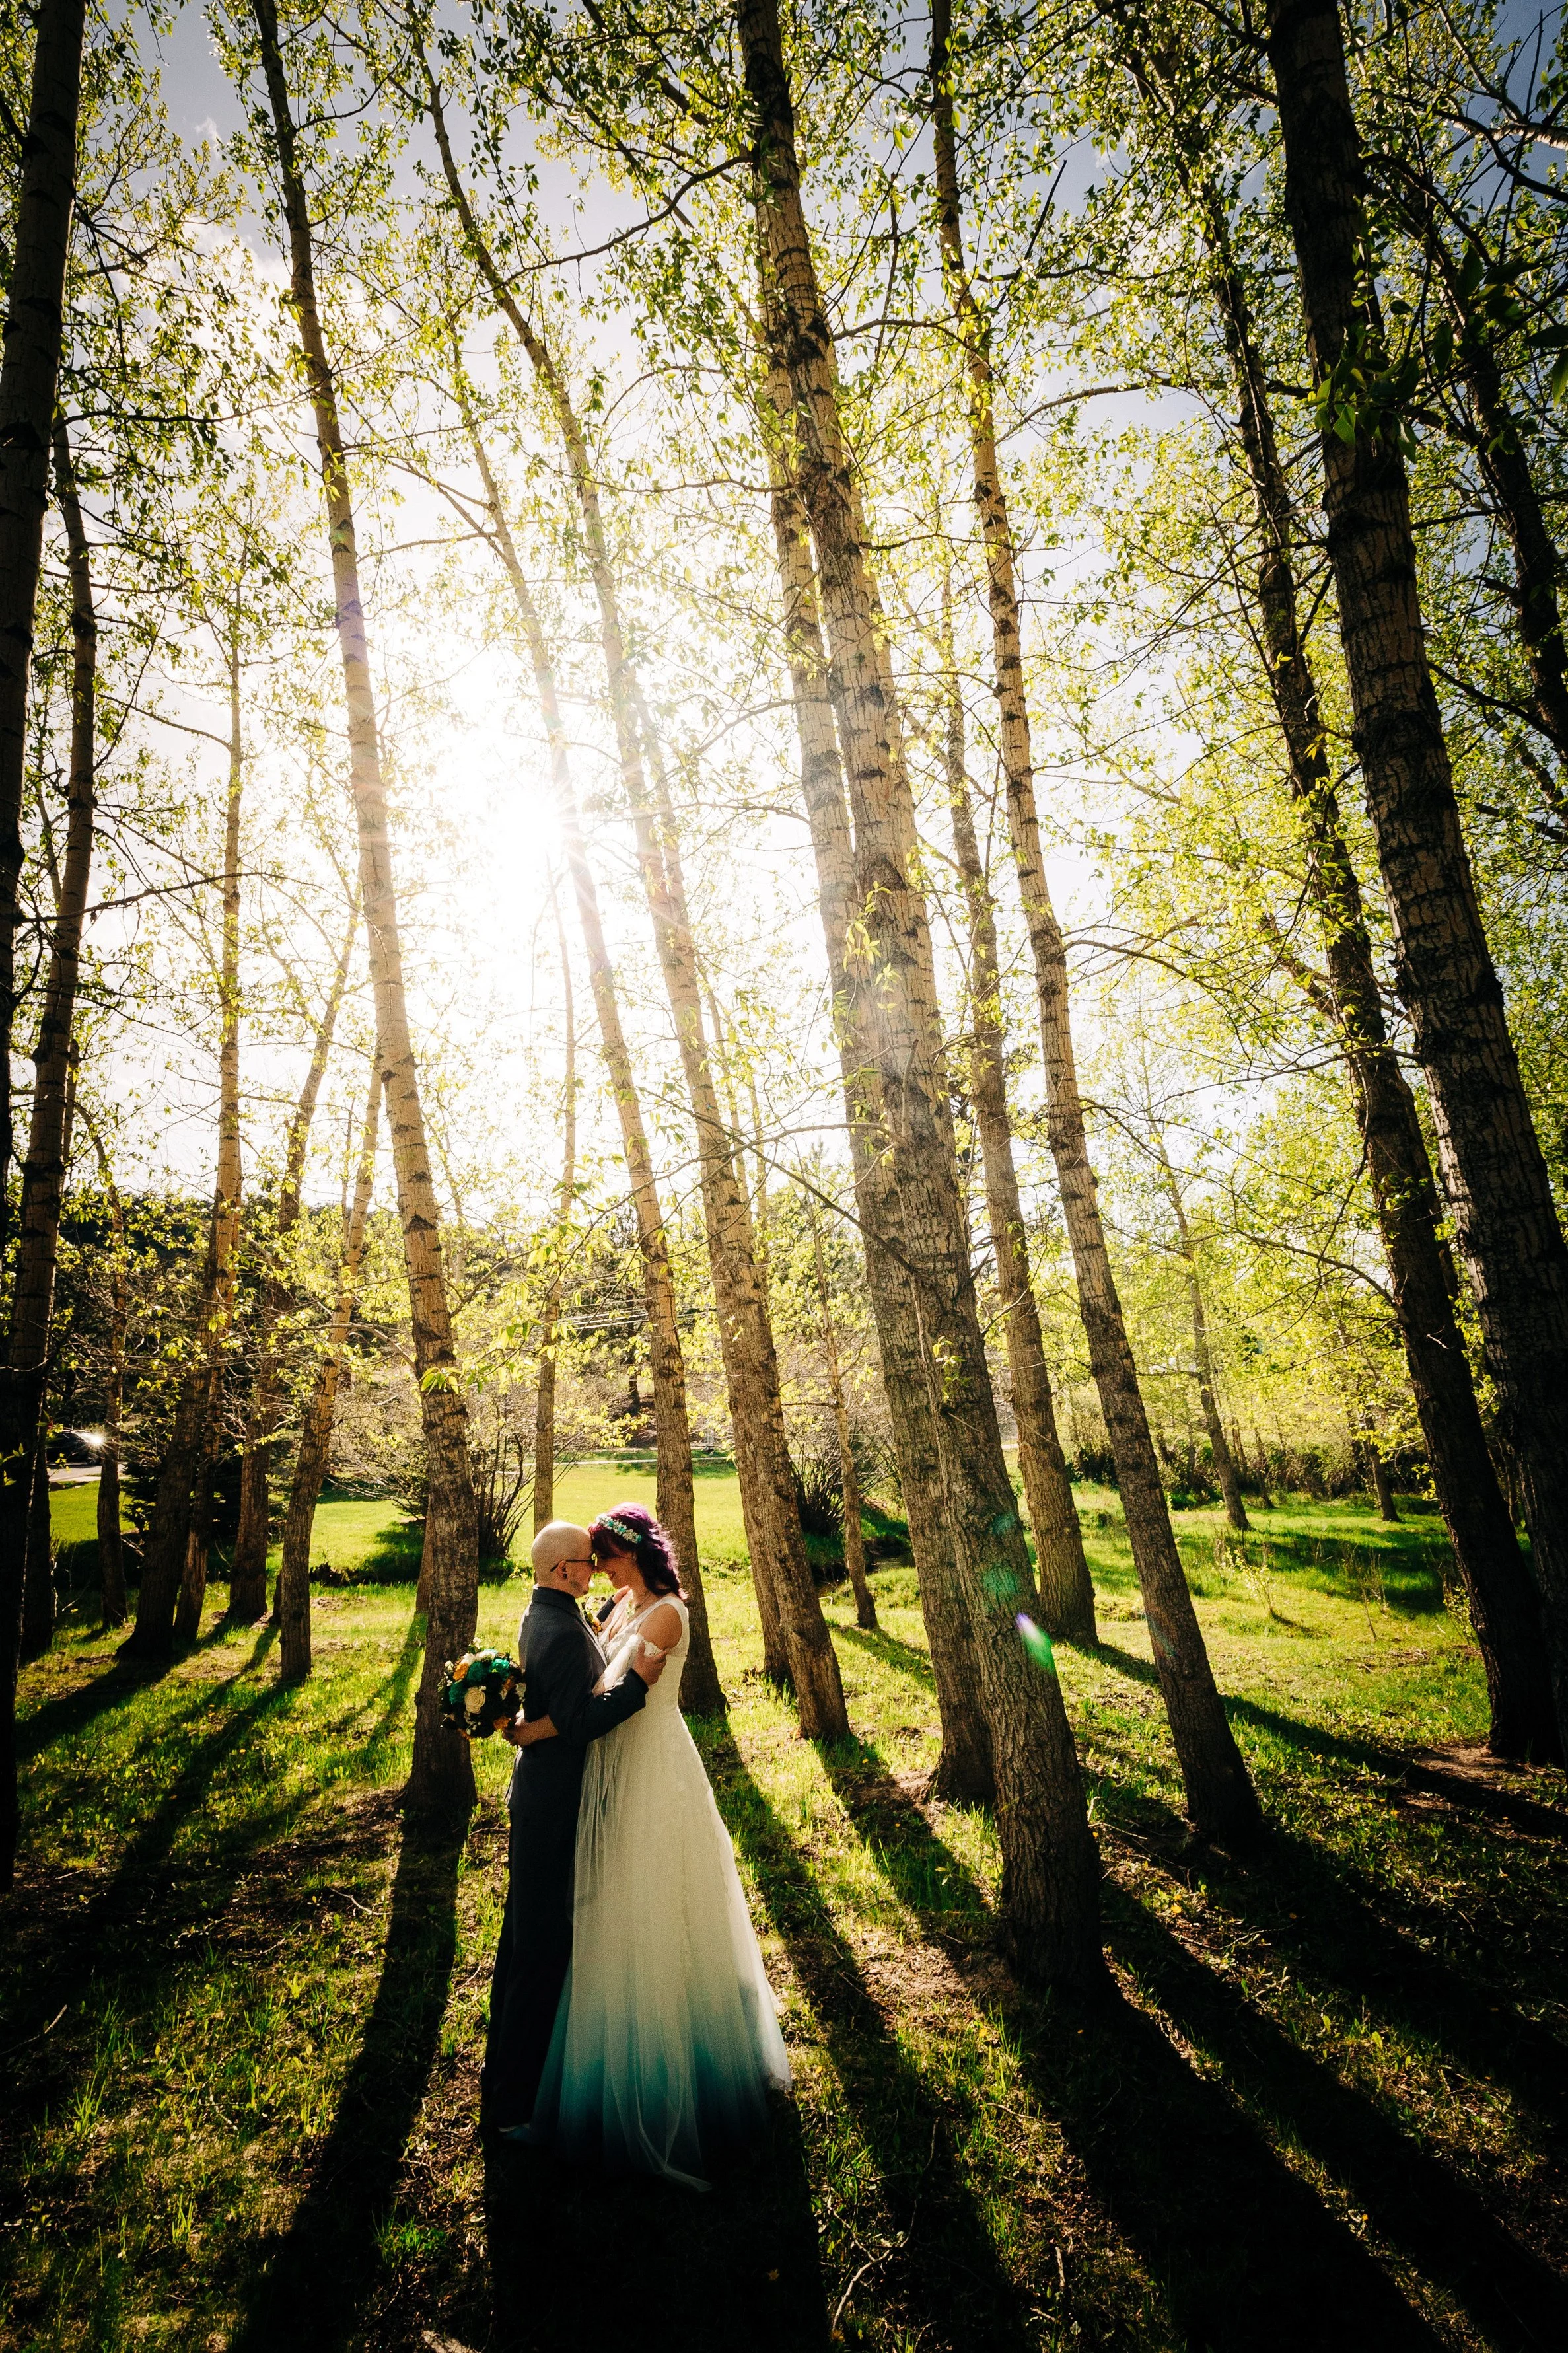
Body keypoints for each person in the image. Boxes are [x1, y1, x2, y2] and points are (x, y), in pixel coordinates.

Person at [511, 1502, 790, 2188]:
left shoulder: (663, 1611)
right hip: (610, 1760)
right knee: (604, 1901)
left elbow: (616, 1689)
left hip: (651, 1766)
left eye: (603, 1554)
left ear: (629, 1553)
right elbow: (586, 1688)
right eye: (592, 1558)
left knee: (654, 1897)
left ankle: (668, 2068)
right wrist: (535, 1721)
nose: (599, 1568)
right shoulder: (619, 1601)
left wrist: (544, 1729)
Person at [482, 1519, 666, 2137]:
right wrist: (637, 1684)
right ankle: (512, 2104)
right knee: (536, 1951)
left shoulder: (548, 1612)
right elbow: (583, 1720)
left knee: (524, 1938)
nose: (594, 1570)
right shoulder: (559, 1630)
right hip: (552, 1804)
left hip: (545, 1795)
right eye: (587, 1562)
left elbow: (556, 1712)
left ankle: (506, 2079)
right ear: (563, 1571)